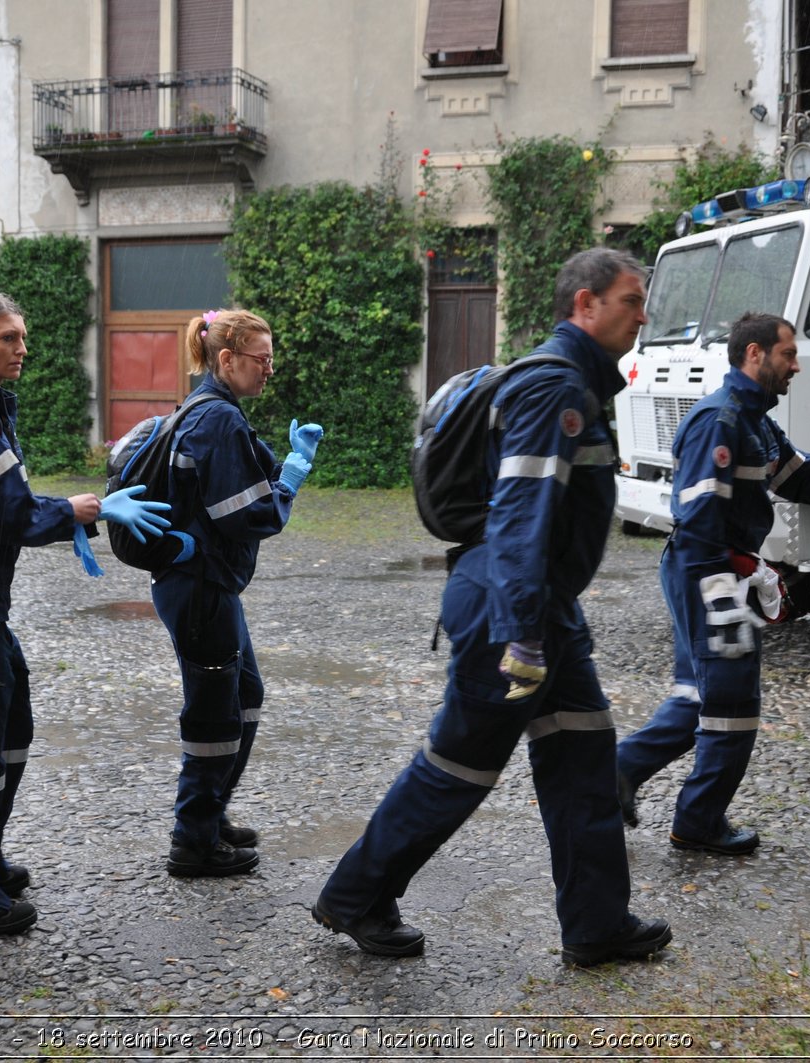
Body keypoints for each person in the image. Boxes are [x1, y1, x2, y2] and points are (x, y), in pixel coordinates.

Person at [314, 249, 668, 969]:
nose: (642, 314)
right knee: (460, 766)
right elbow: (519, 520)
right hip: (511, 607)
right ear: (585, 306)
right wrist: (522, 636)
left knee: (583, 754)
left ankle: (597, 923)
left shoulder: (574, 385)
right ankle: (355, 893)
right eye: (631, 300)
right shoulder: (555, 390)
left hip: (540, 606)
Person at [615, 312, 810, 855]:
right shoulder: (720, 421)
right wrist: (738, 573)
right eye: (789, 355)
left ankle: (618, 776)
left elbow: (802, 475)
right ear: (755, 355)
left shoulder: (753, 420)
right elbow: (696, 517)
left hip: (713, 569)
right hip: (706, 571)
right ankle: (697, 823)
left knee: (699, 695)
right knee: (732, 703)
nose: (797, 366)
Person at [0, 290, 170, 935]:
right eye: (7, 338)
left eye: (23, 337)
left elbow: (0, 503)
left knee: (9, 730)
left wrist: (66, 510)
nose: (22, 349)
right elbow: (4, 513)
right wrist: (78, 510)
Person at [151, 308, 321, 878]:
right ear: (227, 359)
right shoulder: (217, 419)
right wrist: (290, 481)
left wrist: (284, 466)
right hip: (201, 590)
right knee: (214, 716)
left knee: (245, 696)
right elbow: (247, 515)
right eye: (261, 359)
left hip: (207, 586)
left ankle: (211, 813)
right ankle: (192, 841)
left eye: (272, 359)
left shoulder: (215, 412)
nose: (269, 370)